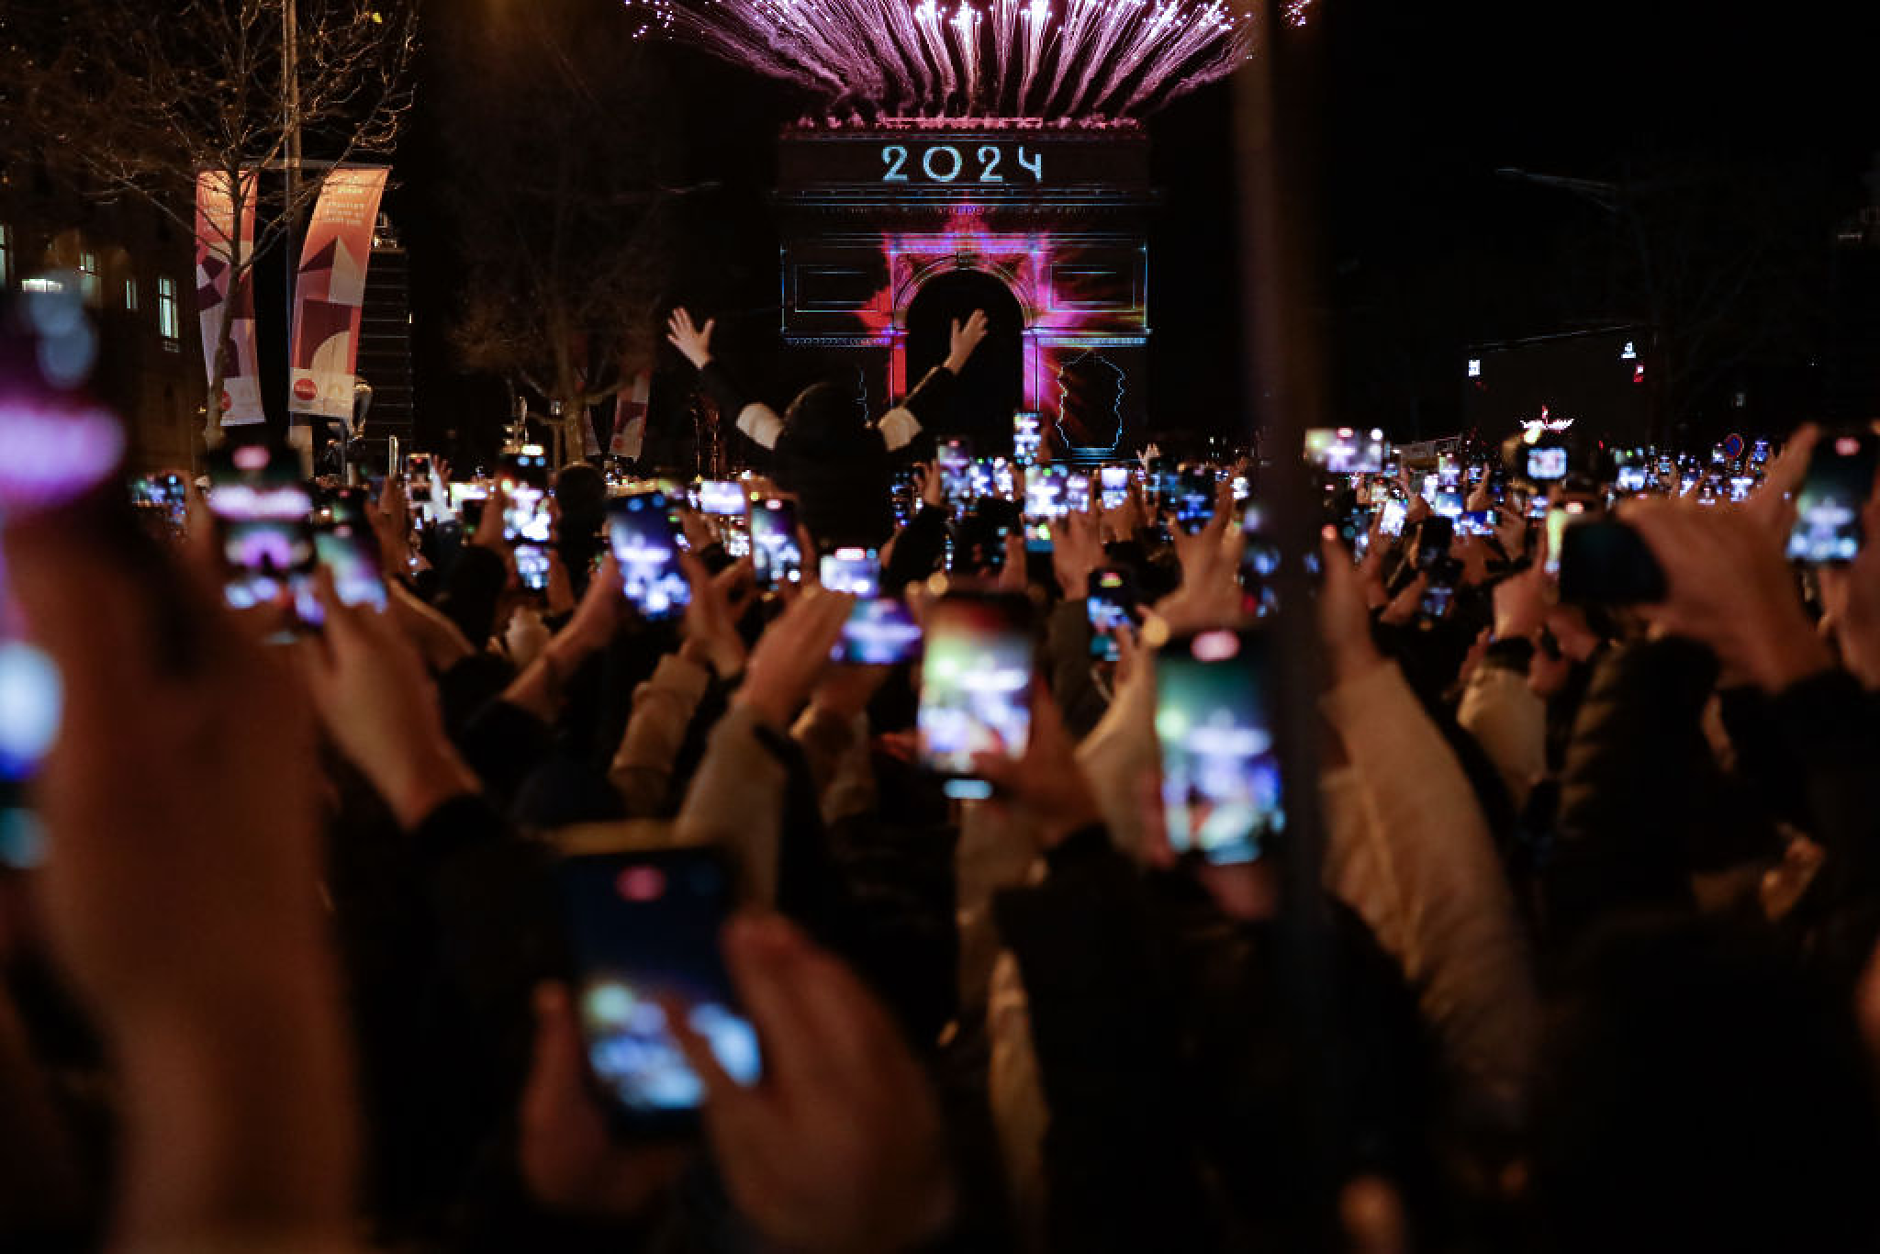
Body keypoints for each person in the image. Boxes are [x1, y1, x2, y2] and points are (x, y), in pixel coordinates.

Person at [665, 306, 989, 548]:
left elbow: (741, 408)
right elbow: (919, 408)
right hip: (871, 556)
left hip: (804, 557)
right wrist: (957, 357)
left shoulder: (786, 444)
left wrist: (701, 359)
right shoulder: (872, 443)